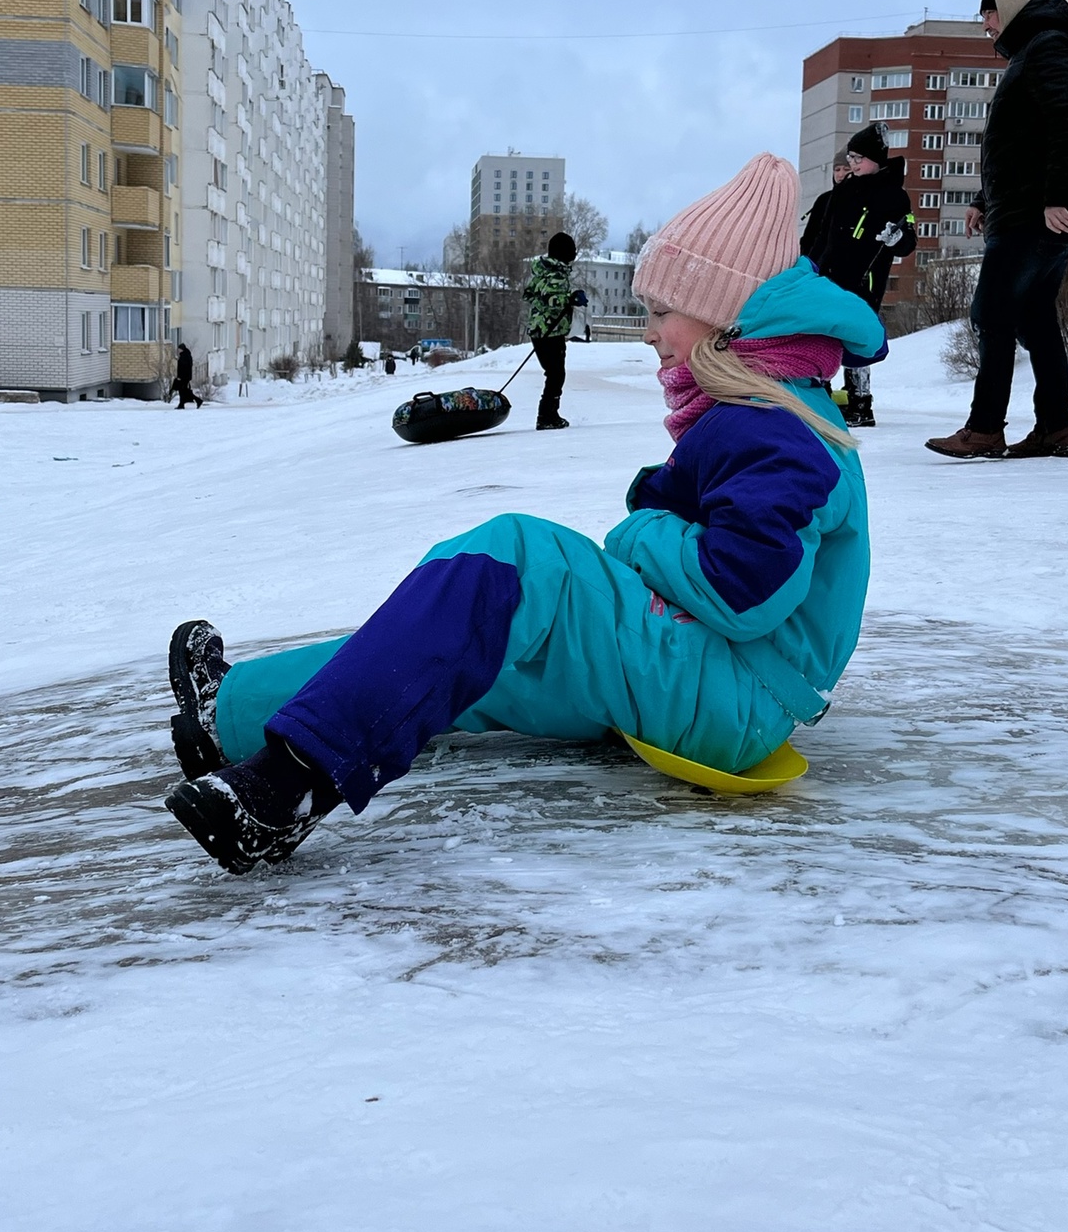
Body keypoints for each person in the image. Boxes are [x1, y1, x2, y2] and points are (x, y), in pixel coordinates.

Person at [162, 152, 886, 874]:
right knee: (472, 643)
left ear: (726, 315)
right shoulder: (760, 410)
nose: (650, 332)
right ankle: (233, 711)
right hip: (712, 682)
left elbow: (742, 588)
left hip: (734, 693)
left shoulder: (779, 426)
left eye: (661, 311)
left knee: (514, 559)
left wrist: (645, 530)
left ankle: (286, 788)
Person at [926, 0, 1068, 461]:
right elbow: (1020, 142)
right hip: (1026, 209)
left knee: (992, 313)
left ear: (1013, 7)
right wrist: (985, 199)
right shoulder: (1035, 52)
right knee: (1035, 317)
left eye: (989, 13)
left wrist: (1056, 198)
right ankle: (1055, 428)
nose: (985, 25)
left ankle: (984, 429)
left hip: (1036, 215)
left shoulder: (1047, 49)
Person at [799, 126, 914, 426]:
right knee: (821, 333)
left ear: (875, 158)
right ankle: (818, 394)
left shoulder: (894, 195)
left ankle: (860, 400)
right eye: (850, 158)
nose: (852, 164)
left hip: (865, 281)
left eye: (858, 158)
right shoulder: (843, 191)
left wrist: (897, 237)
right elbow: (823, 235)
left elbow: (909, 237)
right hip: (828, 277)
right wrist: (809, 266)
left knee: (856, 337)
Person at [522, 229, 586, 431]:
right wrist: (570, 298)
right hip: (550, 331)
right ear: (564, 252)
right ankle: (547, 415)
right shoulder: (555, 273)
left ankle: (548, 413)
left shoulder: (542, 270)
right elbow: (549, 299)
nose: (574, 254)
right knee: (556, 374)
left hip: (541, 330)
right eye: (572, 250)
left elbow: (530, 294)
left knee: (554, 373)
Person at [169, 341, 203, 410]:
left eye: (179, 349)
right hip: (185, 377)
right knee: (183, 391)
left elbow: (183, 368)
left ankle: (198, 400)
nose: (178, 350)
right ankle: (182, 404)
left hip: (184, 377)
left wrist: (180, 377)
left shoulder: (184, 356)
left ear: (182, 349)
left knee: (184, 391)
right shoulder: (186, 355)